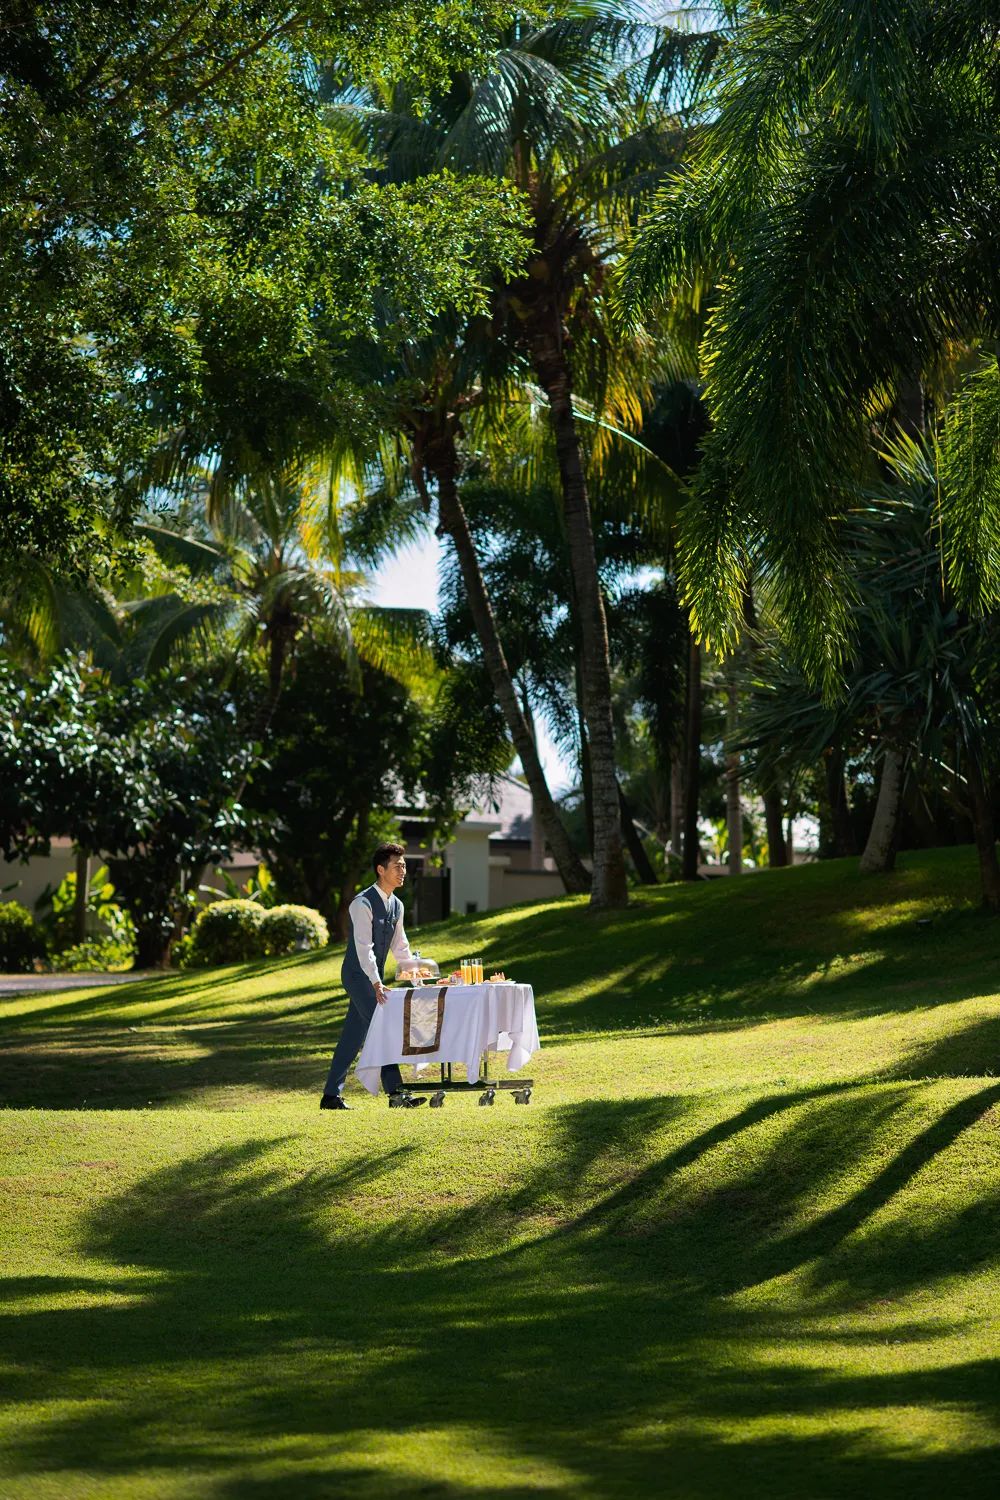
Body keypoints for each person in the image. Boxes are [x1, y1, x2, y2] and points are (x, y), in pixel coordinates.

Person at [320, 842, 426, 1110]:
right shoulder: (362, 903)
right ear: (381, 870)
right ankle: (396, 1094)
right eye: (397, 866)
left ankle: (331, 1096)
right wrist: (377, 982)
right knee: (381, 1028)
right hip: (358, 976)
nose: (403, 871)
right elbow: (364, 948)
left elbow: (401, 947)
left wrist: (417, 977)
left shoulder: (397, 906)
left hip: (371, 978)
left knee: (352, 1037)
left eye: (404, 866)